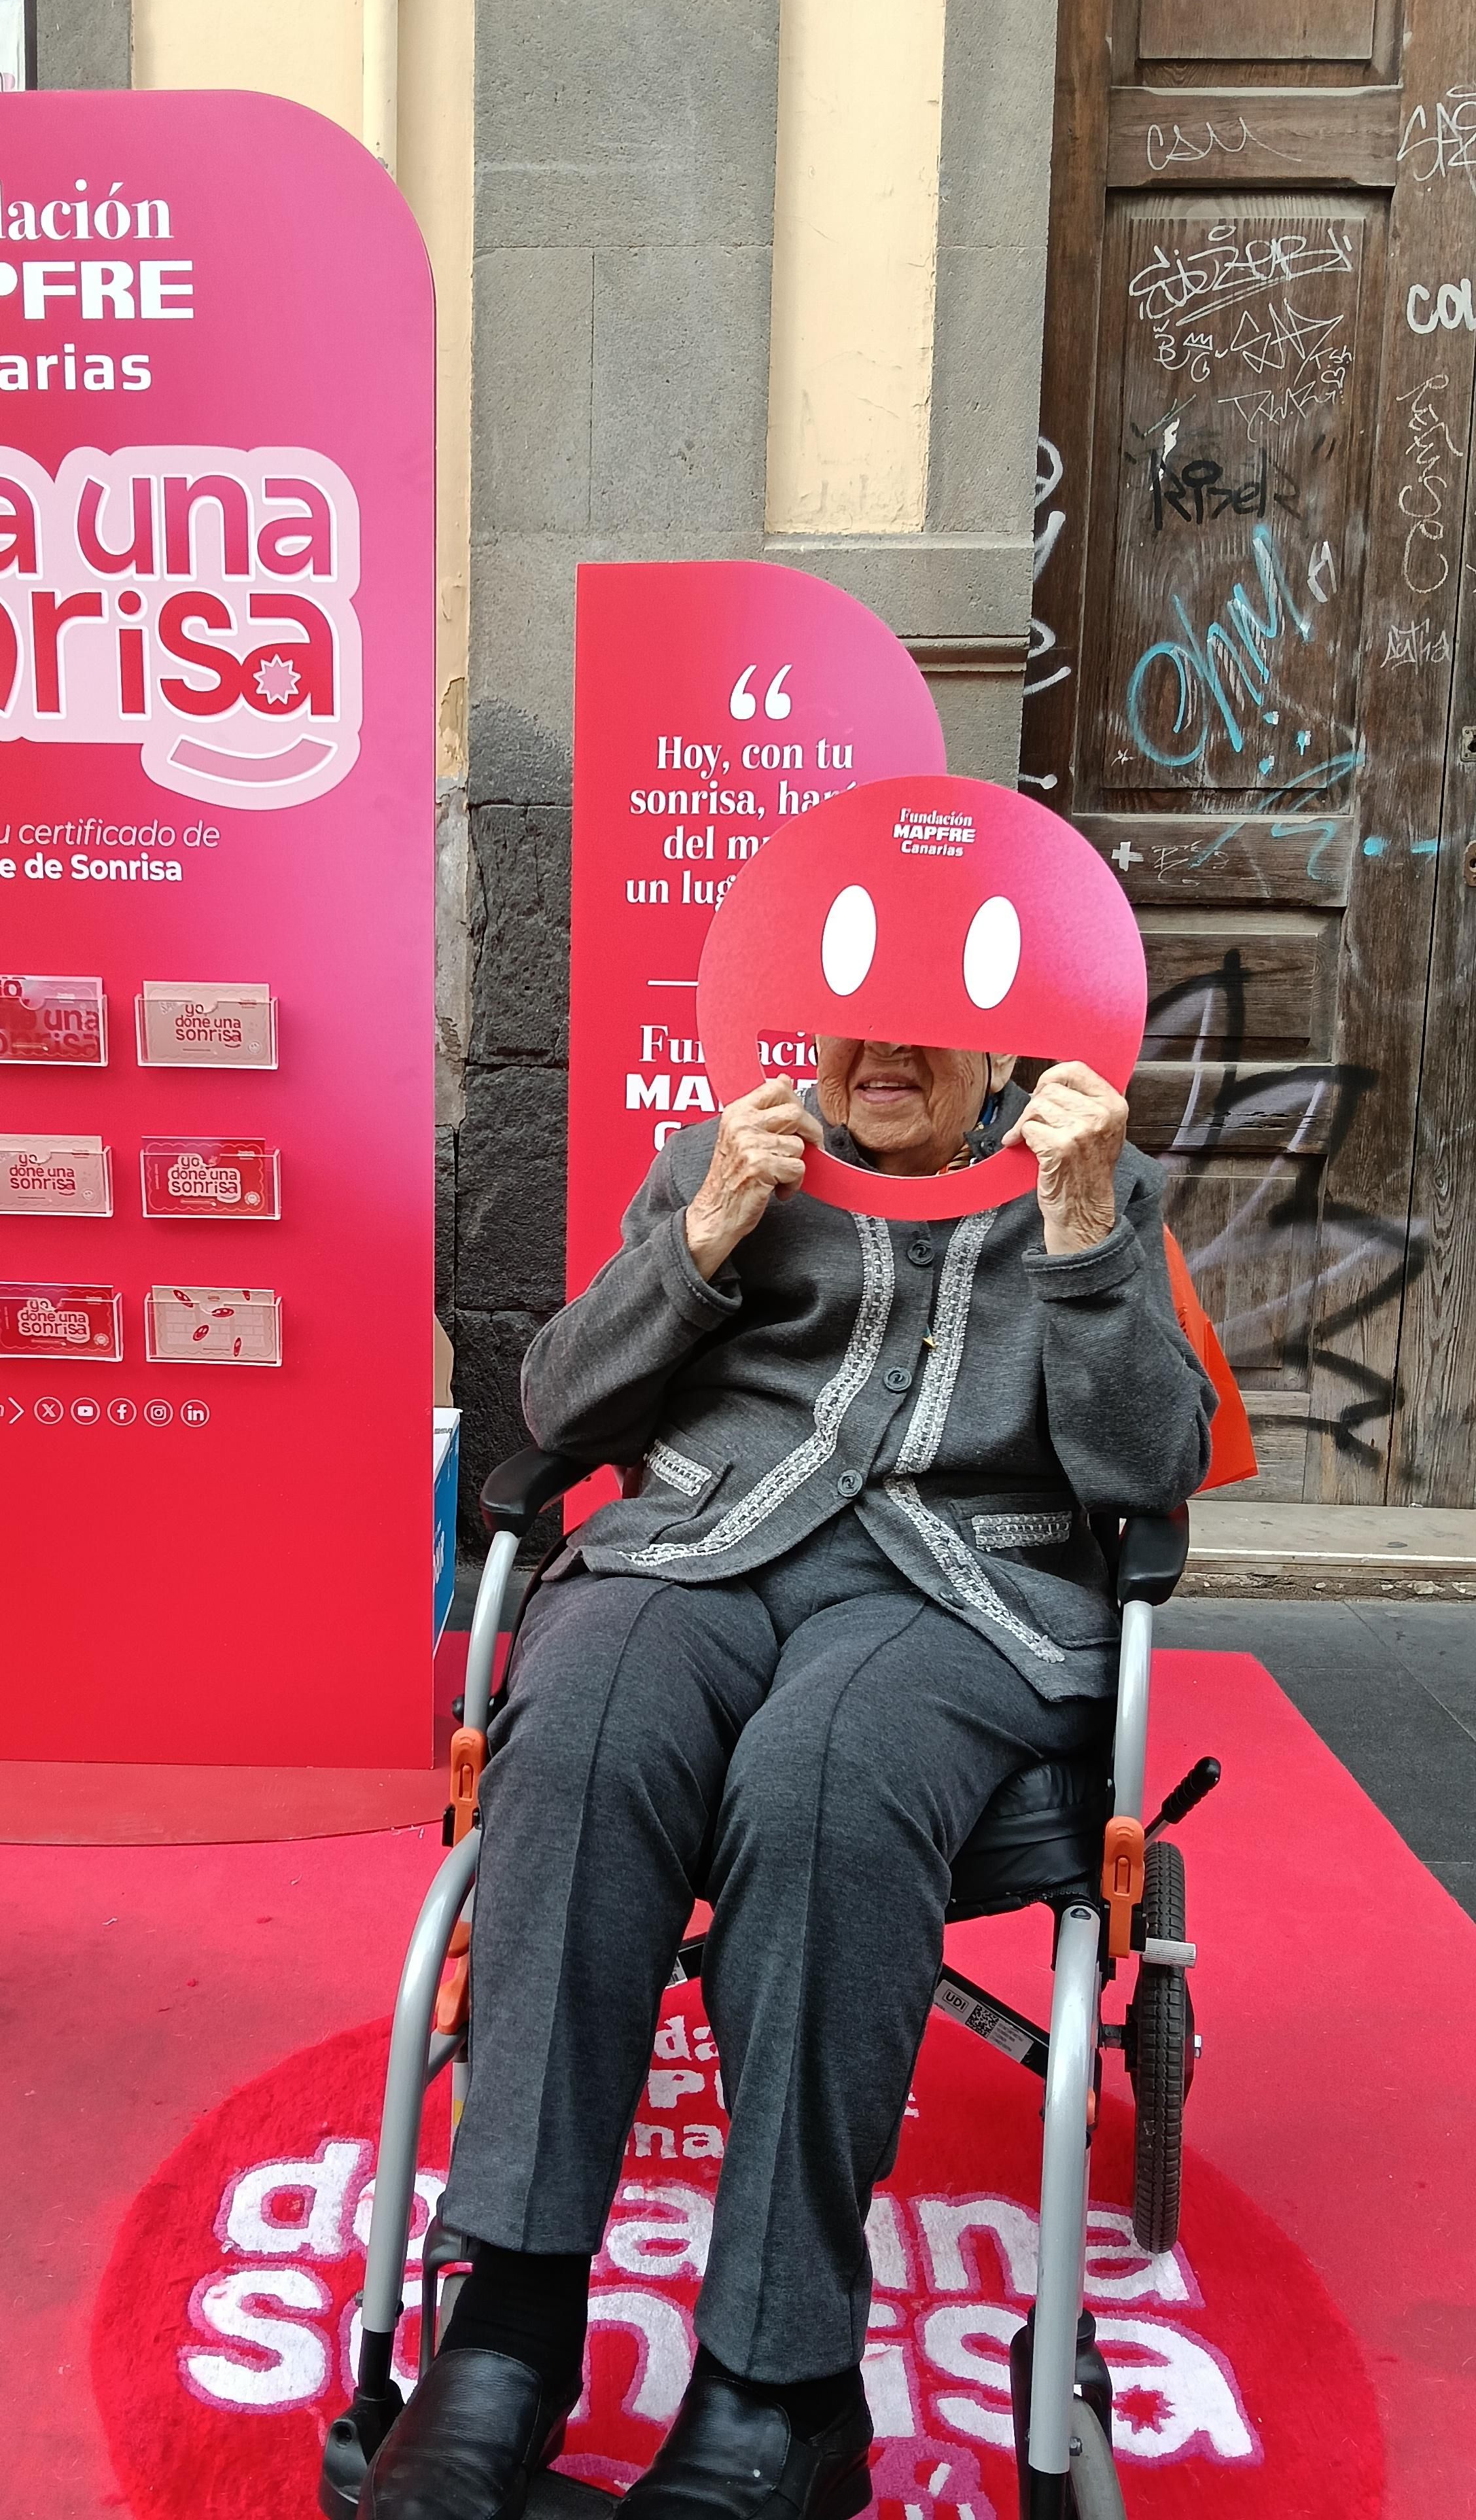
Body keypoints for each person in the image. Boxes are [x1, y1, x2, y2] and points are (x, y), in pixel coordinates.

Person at [361, 1040, 1214, 2520]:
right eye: (851, 1016)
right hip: (697, 1553)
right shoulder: (724, 1154)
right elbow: (561, 1410)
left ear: (1002, 1030)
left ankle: (778, 2381)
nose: (880, 1053)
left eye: (923, 1020)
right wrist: (697, 1247)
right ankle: (508, 2324)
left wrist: (1080, 1243)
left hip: (964, 1598)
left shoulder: (1096, 1175)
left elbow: (1149, 1470)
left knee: (828, 1769)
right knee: (583, 1723)